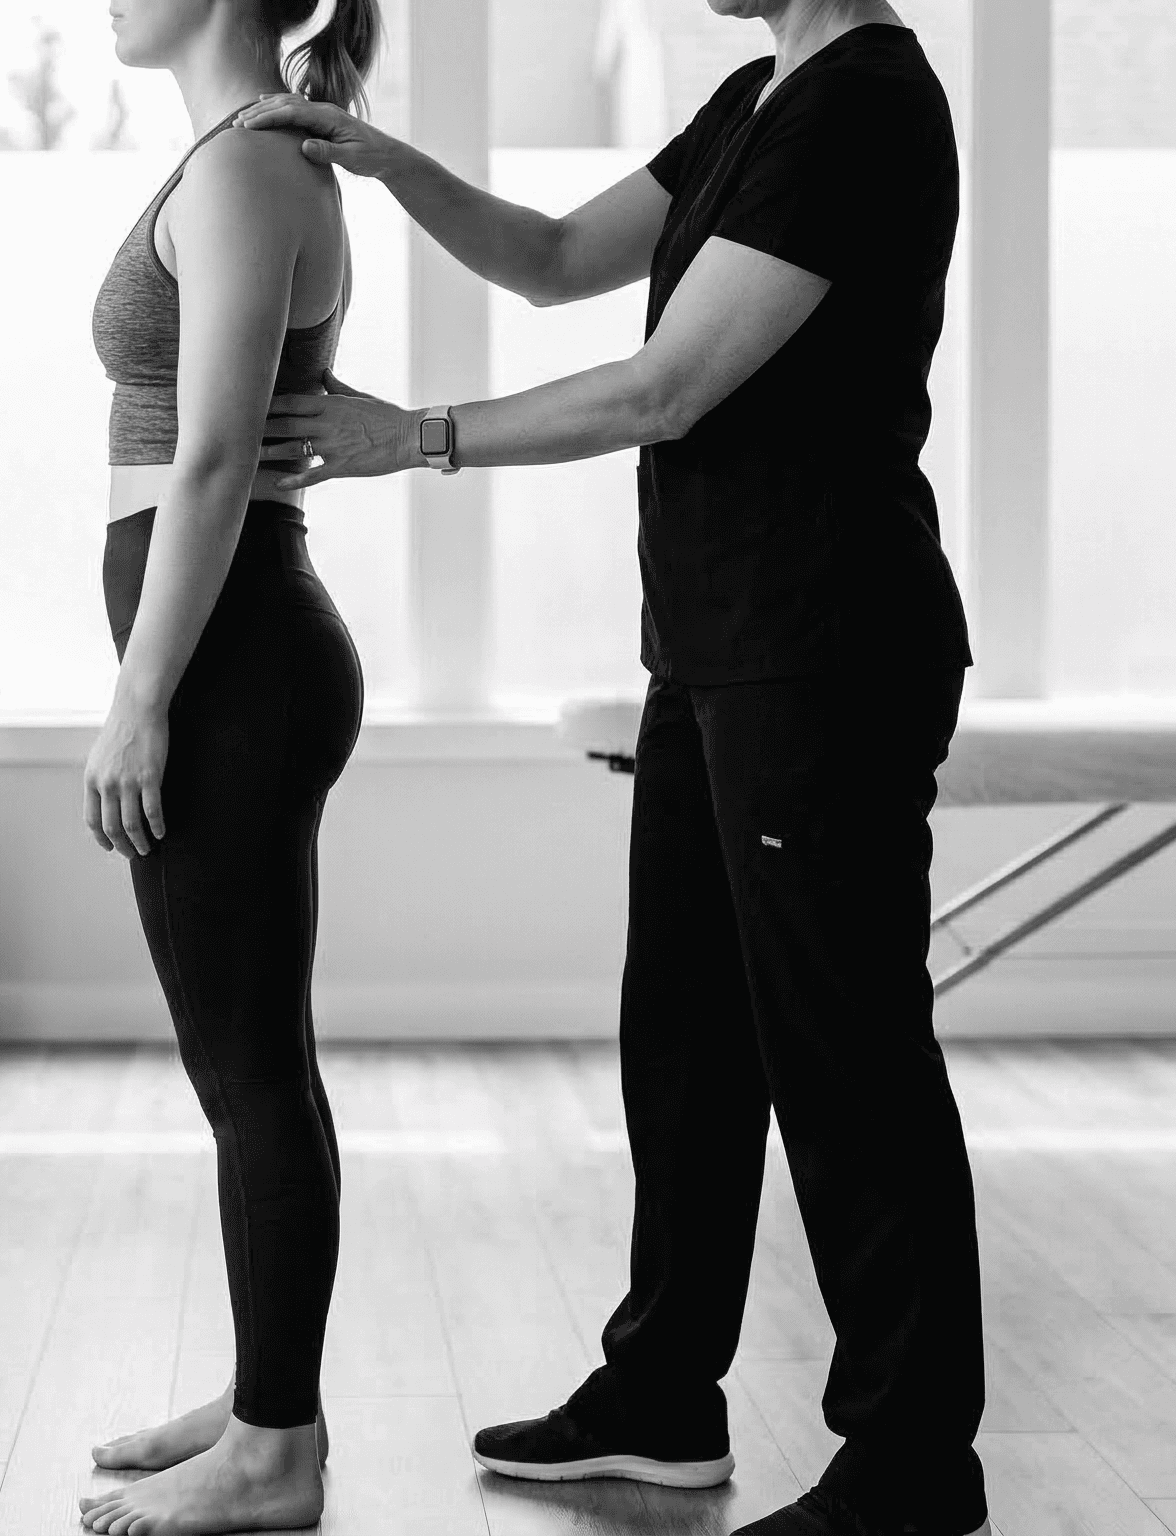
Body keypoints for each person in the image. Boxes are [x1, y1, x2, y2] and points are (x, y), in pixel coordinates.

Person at [233, 2, 987, 1532]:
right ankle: (661, 1394)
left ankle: (913, 1461)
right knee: (691, 1045)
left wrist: (418, 438)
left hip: (823, 650)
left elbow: (667, 386)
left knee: (848, 1063)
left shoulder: (864, 107)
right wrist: (387, 162)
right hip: (715, 650)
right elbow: (560, 256)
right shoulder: (756, 97)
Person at [73, 1, 380, 1534]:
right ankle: (267, 1400)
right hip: (227, 647)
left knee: (254, 1066)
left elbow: (208, 459)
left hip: (234, 657)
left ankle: (278, 1453)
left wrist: (142, 698)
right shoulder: (231, 157)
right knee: (239, 1062)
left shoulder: (251, 166)